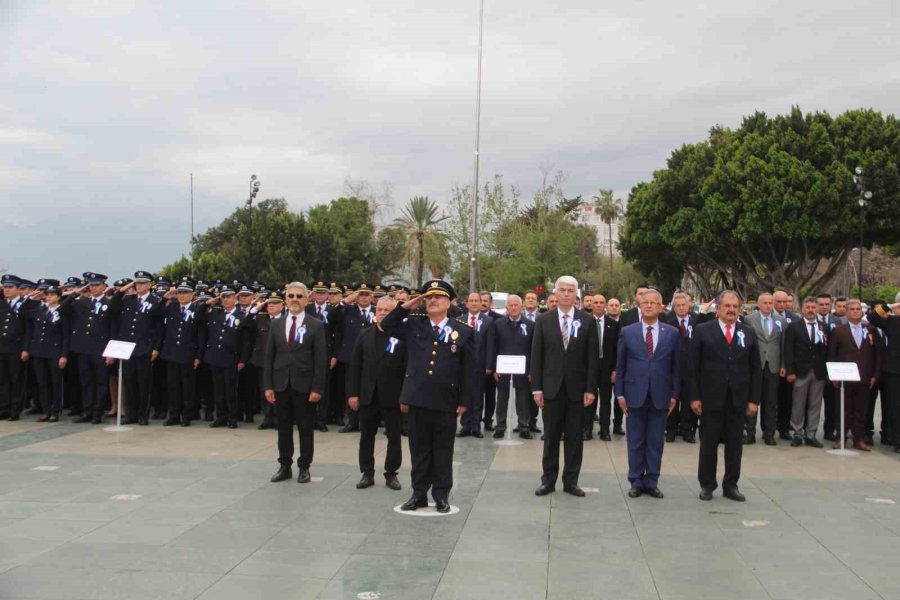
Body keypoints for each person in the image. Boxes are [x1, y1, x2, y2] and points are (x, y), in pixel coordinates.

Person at [380, 279, 473, 513]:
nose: (432, 300)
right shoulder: (414, 325)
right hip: (417, 397)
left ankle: (441, 495)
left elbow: (469, 370)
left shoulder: (462, 331)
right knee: (419, 449)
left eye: (438, 297)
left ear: (449, 302)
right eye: (428, 297)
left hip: (446, 400)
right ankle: (419, 494)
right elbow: (386, 324)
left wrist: (464, 401)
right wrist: (406, 306)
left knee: (443, 450)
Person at [690, 290, 761, 502]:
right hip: (711, 398)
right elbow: (693, 367)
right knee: (709, 444)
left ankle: (731, 485)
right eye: (727, 306)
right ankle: (707, 485)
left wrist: (753, 400)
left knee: (735, 445)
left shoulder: (747, 333)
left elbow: (755, 368)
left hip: (738, 399)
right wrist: (694, 397)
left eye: (735, 306)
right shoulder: (703, 331)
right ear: (718, 308)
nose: (731, 310)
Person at [532, 275, 599, 498]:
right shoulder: (544, 320)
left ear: (576, 294)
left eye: (571, 290)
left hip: (577, 390)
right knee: (550, 436)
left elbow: (592, 359)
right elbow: (537, 356)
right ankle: (548, 480)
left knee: (574, 437)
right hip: (551, 388)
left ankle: (571, 481)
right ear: (556, 293)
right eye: (563, 290)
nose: (567, 294)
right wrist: (537, 389)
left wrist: (591, 389)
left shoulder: (587, 321)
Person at [615, 288, 679, 499]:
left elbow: (676, 367)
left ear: (661, 307)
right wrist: (620, 394)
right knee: (635, 440)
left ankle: (652, 480)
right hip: (634, 394)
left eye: (654, 302)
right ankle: (635, 480)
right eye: (645, 302)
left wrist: (674, 395)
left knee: (655, 441)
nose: (649, 305)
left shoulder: (671, 333)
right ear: (639, 306)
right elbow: (621, 366)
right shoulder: (628, 331)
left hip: (661, 395)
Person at [265, 282, 328, 484]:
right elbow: (269, 357)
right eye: (291, 295)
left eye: (299, 296)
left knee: (305, 428)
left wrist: (317, 388)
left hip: (305, 386)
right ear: (285, 299)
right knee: (283, 427)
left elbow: (320, 360)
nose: (294, 299)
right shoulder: (276, 324)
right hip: (281, 383)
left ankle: (304, 466)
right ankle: (285, 465)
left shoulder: (315, 325)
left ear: (307, 299)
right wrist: (268, 386)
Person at [347, 295, 406, 490]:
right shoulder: (364, 335)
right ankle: (367, 472)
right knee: (366, 435)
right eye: (379, 309)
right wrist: (353, 394)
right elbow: (355, 366)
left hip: (393, 395)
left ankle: (391, 473)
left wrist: (405, 396)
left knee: (394, 436)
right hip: (368, 394)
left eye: (387, 310)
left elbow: (407, 368)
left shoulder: (401, 336)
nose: (382, 313)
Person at [107, 273, 165, 426]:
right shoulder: (128, 300)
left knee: (143, 384)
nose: (138, 286)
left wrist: (156, 347)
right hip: (128, 347)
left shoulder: (155, 301)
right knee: (129, 382)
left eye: (142, 283)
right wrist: (121, 291)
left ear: (148, 285)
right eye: (136, 283)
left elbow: (159, 327)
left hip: (145, 347)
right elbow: (112, 307)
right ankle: (131, 413)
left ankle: (142, 414)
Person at [60, 273, 115, 424]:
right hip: (83, 348)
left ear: (104, 286)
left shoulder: (109, 303)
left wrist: (110, 352)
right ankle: (87, 411)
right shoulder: (82, 302)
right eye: (91, 285)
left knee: (101, 383)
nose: (93, 288)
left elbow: (113, 329)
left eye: (97, 285)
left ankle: (97, 412)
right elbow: (62, 309)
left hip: (100, 349)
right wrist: (74, 294)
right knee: (86, 382)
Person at [828, 299, 882, 451]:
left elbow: (877, 354)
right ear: (846, 311)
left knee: (860, 410)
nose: (855, 311)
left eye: (858, 309)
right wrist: (833, 375)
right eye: (852, 309)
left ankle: (859, 438)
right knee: (843, 409)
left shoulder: (870, 329)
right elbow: (832, 354)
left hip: (864, 376)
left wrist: (875, 375)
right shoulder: (839, 330)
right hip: (844, 378)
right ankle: (841, 437)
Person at [661, 291, 712, 442]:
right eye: (678, 306)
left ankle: (687, 430)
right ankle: (671, 429)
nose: (681, 308)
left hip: (692, 369)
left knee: (689, 400)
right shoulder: (667, 321)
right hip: (673, 368)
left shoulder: (698, 320)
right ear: (673, 307)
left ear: (689, 305)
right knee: (672, 400)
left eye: (684, 305)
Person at [159, 276, 206, 427]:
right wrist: (165, 297)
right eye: (179, 292)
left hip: (188, 354)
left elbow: (201, 335)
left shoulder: (197, 310)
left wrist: (198, 355)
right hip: (172, 353)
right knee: (173, 387)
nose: (182, 295)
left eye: (185, 293)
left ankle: (187, 415)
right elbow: (153, 313)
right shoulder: (171, 307)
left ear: (192, 294)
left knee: (188, 388)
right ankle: (174, 414)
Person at [783, 296, 829, 448]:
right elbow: (788, 350)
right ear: (802, 309)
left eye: (813, 307)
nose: (810, 310)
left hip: (818, 372)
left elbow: (827, 351)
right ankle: (797, 433)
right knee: (798, 403)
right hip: (800, 371)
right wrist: (790, 371)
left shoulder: (824, 327)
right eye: (807, 307)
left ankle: (811, 433)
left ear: (817, 309)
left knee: (815, 404)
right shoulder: (794, 327)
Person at [486, 294, 534, 439]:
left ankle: (523, 425)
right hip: (503, 369)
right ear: (507, 307)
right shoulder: (498, 324)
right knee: (501, 398)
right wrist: (493, 368)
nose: (513, 308)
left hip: (523, 369)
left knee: (523, 399)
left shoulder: (530, 325)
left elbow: (533, 349)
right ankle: (500, 426)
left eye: (516, 305)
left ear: (521, 306)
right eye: (510, 305)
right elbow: (492, 347)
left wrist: (532, 370)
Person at [742, 292, 786, 446]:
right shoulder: (749, 319)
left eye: (770, 303)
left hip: (772, 365)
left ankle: (769, 433)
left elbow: (783, 345)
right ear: (759, 304)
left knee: (771, 401)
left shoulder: (780, 321)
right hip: (755, 365)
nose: (768, 305)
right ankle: (750, 432)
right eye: (765, 303)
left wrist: (783, 365)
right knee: (752, 398)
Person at [201, 285, 246, 429]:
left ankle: (232, 418)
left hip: (231, 358)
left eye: (229, 297)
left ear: (235, 298)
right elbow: (198, 315)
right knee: (218, 390)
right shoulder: (215, 314)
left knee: (230, 390)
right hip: (215, 357)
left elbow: (246, 342)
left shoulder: (241, 316)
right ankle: (220, 417)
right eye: (223, 297)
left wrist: (242, 360)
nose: (226, 300)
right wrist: (210, 302)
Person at [22, 285, 68, 422]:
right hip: (39, 351)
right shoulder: (39, 310)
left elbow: (65, 335)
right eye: (47, 295)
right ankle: (46, 410)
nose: (49, 297)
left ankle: (55, 411)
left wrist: (63, 355)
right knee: (42, 383)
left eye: (52, 295)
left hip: (54, 352)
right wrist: (31, 298)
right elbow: (23, 311)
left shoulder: (61, 312)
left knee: (55, 383)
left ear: (59, 297)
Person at [334, 283, 375, 433]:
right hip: (351, 356)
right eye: (360, 295)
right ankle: (352, 421)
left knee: (368, 389)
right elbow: (334, 315)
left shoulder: (378, 311)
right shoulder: (348, 311)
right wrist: (346, 300)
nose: (363, 298)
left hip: (371, 356)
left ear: (372, 296)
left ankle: (367, 421)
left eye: (366, 294)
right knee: (350, 389)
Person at [243, 290, 285, 429]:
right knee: (264, 389)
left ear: (282, 305)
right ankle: (268, 417)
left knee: (279, 390)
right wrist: (256, 307)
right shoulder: (261, 318)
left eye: (275, 303)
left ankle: (279, 418)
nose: (271, 306)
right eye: (269, 303)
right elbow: (244, 324)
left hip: (280, 361)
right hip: (263, 361)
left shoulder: (286, 320)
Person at [0, 275, 38, 420]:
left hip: (17, 347)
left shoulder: (27, 304)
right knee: (2, 380)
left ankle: (15, 410)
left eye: (10, 287)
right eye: (5, 288)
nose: (7, 290)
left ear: (17, 288)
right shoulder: (2, 304)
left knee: (16, 379)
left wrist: (26, 348)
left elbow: (29, 329)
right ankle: (4, 408)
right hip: (2, 346)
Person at [306, 281, 341, 432]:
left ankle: (322, 419)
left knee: (323, 387)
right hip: (308, 353)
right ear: (312, 294)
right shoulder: (306, 309)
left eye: (323, 293)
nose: (320, 295)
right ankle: (310, 418)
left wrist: (335, 355)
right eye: (317, 293)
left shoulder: (333, 311)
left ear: (328, 295)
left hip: (326, 352)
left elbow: (338, 335)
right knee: (308, 386)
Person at [458, 292, 494, 438]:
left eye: (476, 301)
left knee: (478, 396)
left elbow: (490, 345)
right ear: (466, 303)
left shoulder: (488, 321)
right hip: (463, 365)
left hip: (480, 365)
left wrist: (489, 365)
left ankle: (475, 425)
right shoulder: (459, 320)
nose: (473, 303)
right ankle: (465, 425)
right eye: (471, 301)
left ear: (481, 303)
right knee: (464, 395)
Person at [866, 299, 900, 453]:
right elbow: (872, 318)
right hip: (894, 371)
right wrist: (890, 306)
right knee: (894, 407)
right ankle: (897, 439)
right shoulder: (893, 321)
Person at [588, 294, 619, 441]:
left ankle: (605, 430)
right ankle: (586, 429)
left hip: (606, 369)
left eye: (601, 302)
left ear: (605, 305)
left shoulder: (613, 324)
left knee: (606, 401)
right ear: (591, 305)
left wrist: (615, 369)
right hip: (589, 368)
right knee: (589, 400)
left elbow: (616, 349)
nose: (599, 305)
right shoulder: (584, 322)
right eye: (596, 302)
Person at [817, 293, 844, 441]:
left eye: (827, 304)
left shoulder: (837, 321)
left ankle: (829, 430)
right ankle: (808, 430)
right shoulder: (811, 320)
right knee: (812, 403)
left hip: (832, 366)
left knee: (831, 403)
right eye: (821, 304)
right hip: (815, 367)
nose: (824, 307)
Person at [773, 290, 799, 439]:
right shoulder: (768, 317)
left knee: (786, 398)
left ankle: (784, 428)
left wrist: (788, 366)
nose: (782, 305)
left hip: (787, 365)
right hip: (770, 363)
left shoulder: (794, 319)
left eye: (785, 302)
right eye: (779, 302)